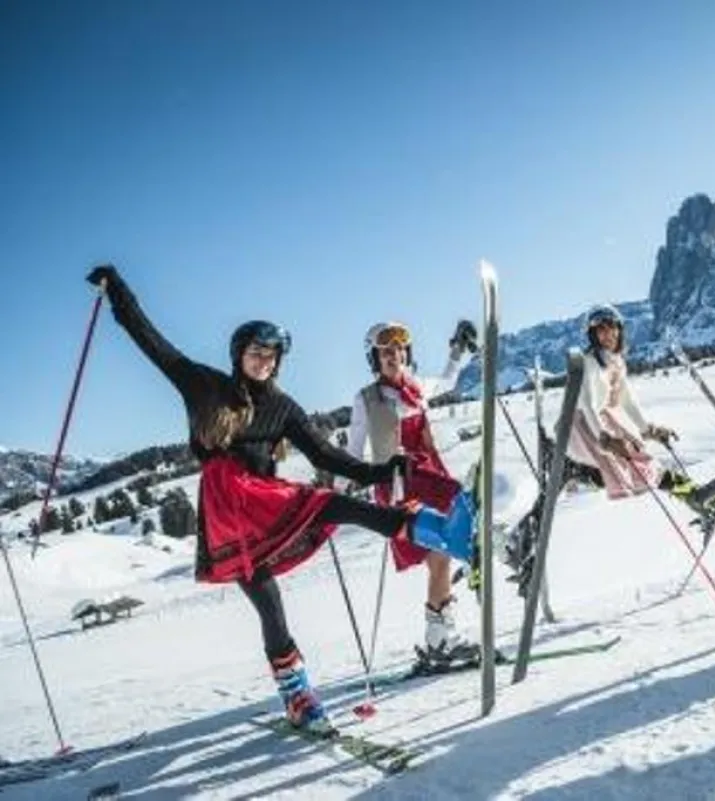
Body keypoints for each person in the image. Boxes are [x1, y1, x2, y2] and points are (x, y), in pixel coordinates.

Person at [86, 264, 474, 734]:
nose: (265, 360)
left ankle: (428, 530)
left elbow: (325, 453)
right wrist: (120, 295)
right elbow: (155, 346)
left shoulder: (283, 406)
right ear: (239, 355)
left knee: (304, 538)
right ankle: (299, 696)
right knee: (288, 565)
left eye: (272, 355)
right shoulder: (205, 385)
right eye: (257, 352)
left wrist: (381, 468)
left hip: (263, 505)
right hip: (230, 508)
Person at [342, 319, 478, 663]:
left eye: (399, 349)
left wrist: (459, 350)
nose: (394, 355)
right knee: (439, 552)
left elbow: (447, 379)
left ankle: (439, 639)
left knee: (442, 553)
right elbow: (355, 451)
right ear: (375, 358)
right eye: (385, 351)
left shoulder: (416, 387)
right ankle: (440, 639)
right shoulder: (366, 400)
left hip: (432, 476)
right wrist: (336, 486)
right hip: (401, 485)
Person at [565, 304, 715, 522]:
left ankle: (695, 497)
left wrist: (649, 429)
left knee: (635, 466)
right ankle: (695, 496)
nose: (608, 334)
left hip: (605, 426)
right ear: (593, 335)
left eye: (611, 327)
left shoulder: (615, 362)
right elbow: (587, 403)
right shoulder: (590, 363)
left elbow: (626, 401)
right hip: (587, 427)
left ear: (619, 330)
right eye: (600, 330)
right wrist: (605, 439)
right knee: (638, 465)